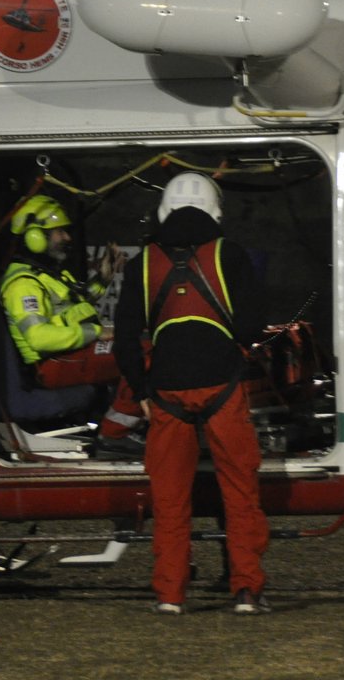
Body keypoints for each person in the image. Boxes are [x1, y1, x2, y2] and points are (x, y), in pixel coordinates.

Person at [113, 172, 271, 615]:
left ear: (163, 209)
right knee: (240, 492)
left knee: (169, 500)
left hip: (165, 392)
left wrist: (142, 389)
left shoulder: (140, 263)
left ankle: (170, 595)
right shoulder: (230, 255)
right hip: (223, 386)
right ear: (215, 210)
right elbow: (251, 328)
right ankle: (246, 591)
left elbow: (126, 338)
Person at [0, 193, 144, 441]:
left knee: (141, 343)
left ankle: (128, 425)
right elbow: (40, 338)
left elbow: (74, 310)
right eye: (59, 232)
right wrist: (99, 333)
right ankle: (115, 434)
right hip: (52, 365)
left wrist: (102, 280)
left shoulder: (45, 275)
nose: (67, 238)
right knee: (140, 354)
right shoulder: (22, 286)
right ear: (35, 237)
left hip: (68, 356)